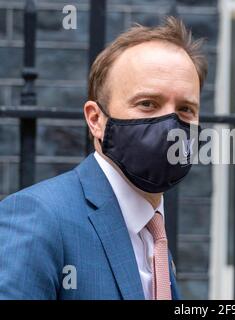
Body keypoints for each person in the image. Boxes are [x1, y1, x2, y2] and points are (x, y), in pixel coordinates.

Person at [0, 17, 207, 300]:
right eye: (147, 104)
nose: (170, 125)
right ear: (96, 120)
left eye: (185, 109)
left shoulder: (153, 231)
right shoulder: (40, 218)